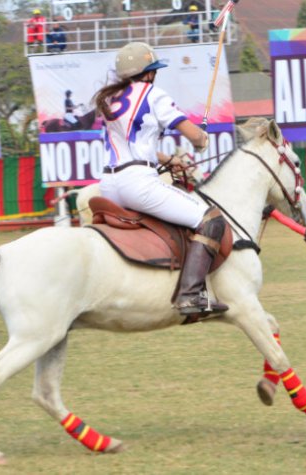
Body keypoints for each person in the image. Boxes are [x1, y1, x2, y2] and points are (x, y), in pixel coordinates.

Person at [93, 42, 227, 317]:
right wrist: (201, 139)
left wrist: (167, 159)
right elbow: (194, 136)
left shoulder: (110, 98)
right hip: (138, 184)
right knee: (211, 220)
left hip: (108, 185)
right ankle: (190, 295)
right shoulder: (154, 94)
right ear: (149, 73)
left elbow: (135, 143)